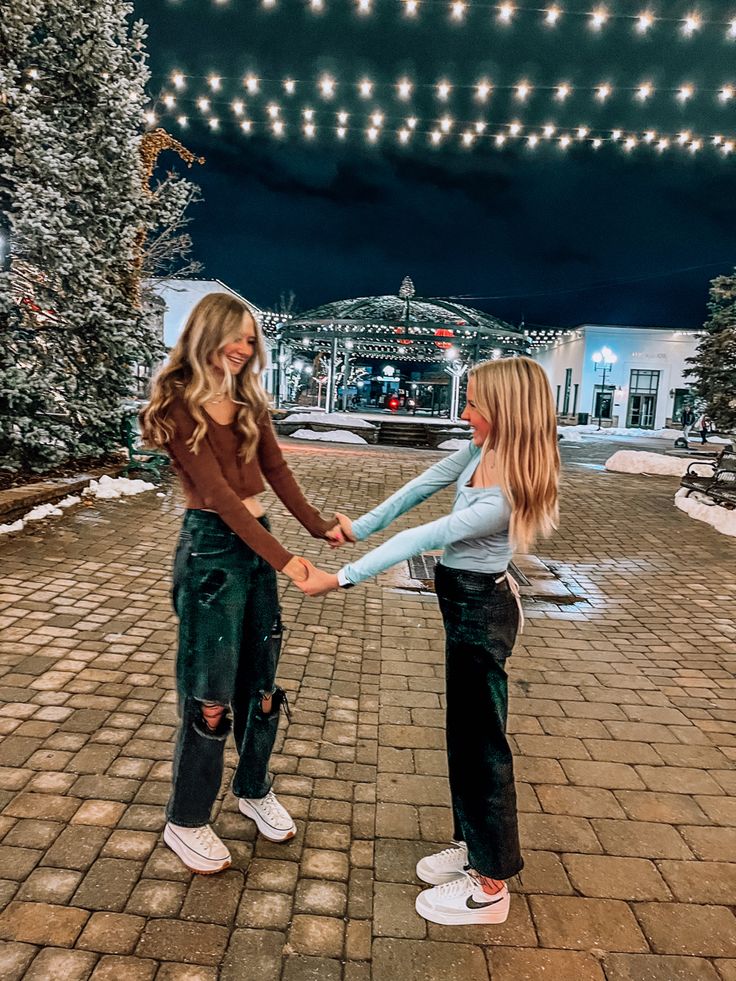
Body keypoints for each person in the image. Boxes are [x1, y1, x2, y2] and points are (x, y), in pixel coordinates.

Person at [298, 357, 560, 926]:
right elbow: (426, 485)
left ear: (506, 415)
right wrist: (360, 525)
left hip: (480, 613)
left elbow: (426, 534)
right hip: (467, 607)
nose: (464, 413)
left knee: (481, 745)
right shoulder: (484, 453)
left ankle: (490, 887)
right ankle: (473, 848)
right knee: (463, 737)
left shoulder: (508, 489)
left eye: (473, 406)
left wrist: (339, 577)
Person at [140, 292, 342, 875]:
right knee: (210, 693)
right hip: (211, 552)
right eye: (237, 336)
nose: (244, 349)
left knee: (261, 685)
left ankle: (253, 789)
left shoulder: (249, 403)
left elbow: (275, 470)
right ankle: (186, 819)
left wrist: (318, 527)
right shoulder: (179, 409)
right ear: (207, 335)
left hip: (257, 547)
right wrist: (292, 564)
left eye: (252, 340)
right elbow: (222, 499)